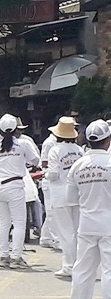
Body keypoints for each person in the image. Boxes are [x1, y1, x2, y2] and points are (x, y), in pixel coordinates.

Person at [0, 114, 40, 269]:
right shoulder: (22, 144)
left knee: (4, 222)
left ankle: (4, 256)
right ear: (16, 129)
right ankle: (16, 257)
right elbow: (36, 160)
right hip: (14, 186)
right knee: (19, 223)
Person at [69, 120, 111, 298]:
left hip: (86, 224)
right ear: (107, 140)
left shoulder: (77, 166)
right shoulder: (109, 163)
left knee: (83, 270)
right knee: (109, 271)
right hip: (108, 223)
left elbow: (71, 200)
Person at [46, 116, 84, 278]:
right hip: (77, 193)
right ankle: (79, 263)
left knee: (65, 232)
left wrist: (45, 175)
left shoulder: (55, 150)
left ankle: (68, 266)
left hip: (60, 194)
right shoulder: (79, 150)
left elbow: (53, 174)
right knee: (76, 231)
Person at [39, 130, 60, 250]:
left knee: (52, 211)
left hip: (56, 180)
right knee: (51, 211)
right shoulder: (49, 143)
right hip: (48, 179)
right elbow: (44, 162)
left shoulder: (60, 143)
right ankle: (56, 239)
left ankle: (45, 237)